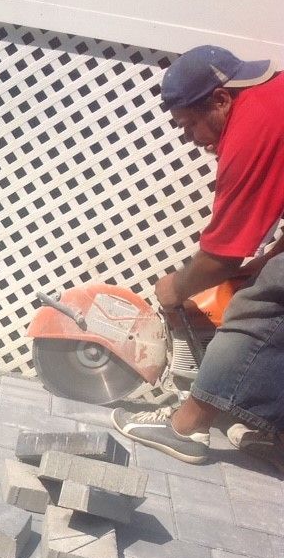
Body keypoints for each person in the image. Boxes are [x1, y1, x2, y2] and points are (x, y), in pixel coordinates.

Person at [112, 45, 284, 468]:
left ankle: (185, 428)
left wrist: (174, 288)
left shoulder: (254, 127)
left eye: (189, 125)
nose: (191, 139)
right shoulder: (272, 99)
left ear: (221, 100)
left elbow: (223, 255)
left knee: (260, 306)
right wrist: (258, 266)